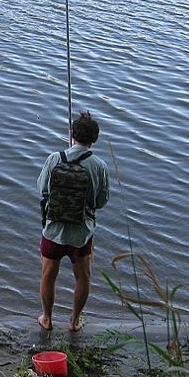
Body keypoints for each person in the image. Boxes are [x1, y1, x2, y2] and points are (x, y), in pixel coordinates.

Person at [35, 111, 110, 333]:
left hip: (54, 230)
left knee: (48, 275)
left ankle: (47, 319)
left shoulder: (54, 159)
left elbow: (42, 190)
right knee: (83, 277)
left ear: (72, 134)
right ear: (94, 139)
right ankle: (74, 322)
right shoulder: (99, 166)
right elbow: (101, 201)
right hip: (81, 233)